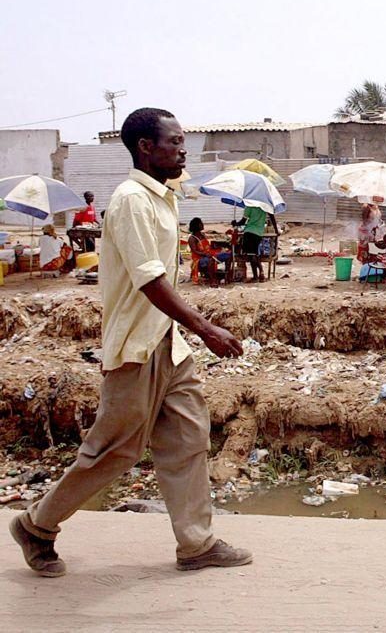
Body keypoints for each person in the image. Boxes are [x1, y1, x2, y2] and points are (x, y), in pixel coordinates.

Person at [9, 107, 250, 578]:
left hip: (168, 344)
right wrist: (207, 328)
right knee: (114, 451)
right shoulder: (131, 201)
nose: (183, 149)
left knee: (187, 438)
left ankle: (196, 544)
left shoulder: (164, 197)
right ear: (146, 147)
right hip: (136, 349)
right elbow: (150, 281)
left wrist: (188, 333)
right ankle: (37, 525)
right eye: (175, 142)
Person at [233, 204, 279, 283]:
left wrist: (235, 223)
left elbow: (243, 221)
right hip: (259, 233)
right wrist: (276, 230)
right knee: (254, 254)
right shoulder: (265, 206)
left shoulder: (249, 207)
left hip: (249, 232)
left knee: (251, 255)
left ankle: (257, 275)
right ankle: (259, 274)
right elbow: (272, 217)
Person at [188, 218, 231, 287]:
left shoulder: (202, 235)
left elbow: (207, 247)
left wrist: (217, 246)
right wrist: (205, 254)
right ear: (197, 226)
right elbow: (195, 251)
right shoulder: (192, 238)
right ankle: (212, 280)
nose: (202, 225)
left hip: (209, 254)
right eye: (201, 223)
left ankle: (228, 276)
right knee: (211, 260)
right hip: (199, 259)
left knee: (229, 254)